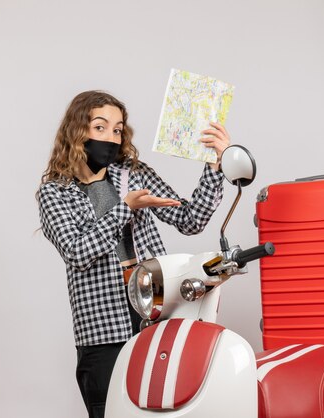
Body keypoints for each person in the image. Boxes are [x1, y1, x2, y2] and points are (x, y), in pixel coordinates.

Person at [36, 90, 230, 418]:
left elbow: (190, 218)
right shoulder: (54, 194)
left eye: (117, 129)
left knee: (167, 409)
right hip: (102, 332)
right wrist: (125, 208)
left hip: (156, 314)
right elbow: (76, 252)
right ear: (76, 131)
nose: (111, 137)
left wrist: (215, 164)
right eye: (100, 127)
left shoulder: (133, 175)